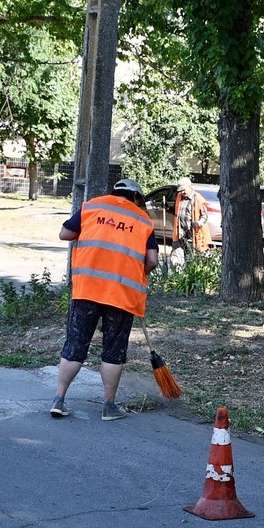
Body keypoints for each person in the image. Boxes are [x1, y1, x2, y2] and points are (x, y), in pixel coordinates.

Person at [51, 179, 159, 421]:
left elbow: (65, 234)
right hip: (121, 295)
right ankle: (108, 406)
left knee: (75, 345)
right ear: (136, 198)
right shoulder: (143, 220)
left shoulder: (92, 207)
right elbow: (151, 261)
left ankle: (59, 399)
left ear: (114, 192)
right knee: (113, 351)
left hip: (87, 290)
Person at [171, 177, 211, 267]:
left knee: (195, 259)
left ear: (189, 186)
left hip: (194, 235)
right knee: (178, 258)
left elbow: (205, 216)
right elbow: (176, 212)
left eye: (183, 190)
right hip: (181, 234)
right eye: (180, 191)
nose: (182, 192)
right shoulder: (179, 197)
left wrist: (198, 223)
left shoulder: (197, 198)